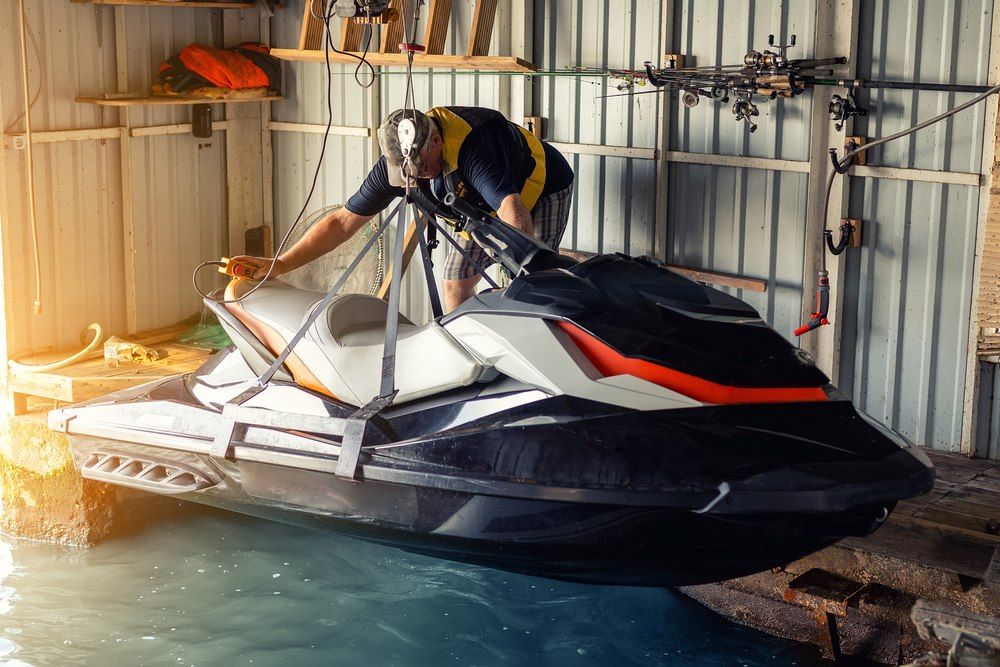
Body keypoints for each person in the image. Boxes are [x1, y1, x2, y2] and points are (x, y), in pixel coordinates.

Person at [237, 106, 575, 312]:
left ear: (436, 142)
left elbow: (511, 210)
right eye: (406, 173)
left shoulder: (474, 148)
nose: (413, 178)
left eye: (421, 166)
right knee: (455, 285)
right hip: (476, 205)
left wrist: (520, 275)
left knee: (536, 280)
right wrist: (280, 264)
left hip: (540, 187)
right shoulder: (397, 167)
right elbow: (342, 223)